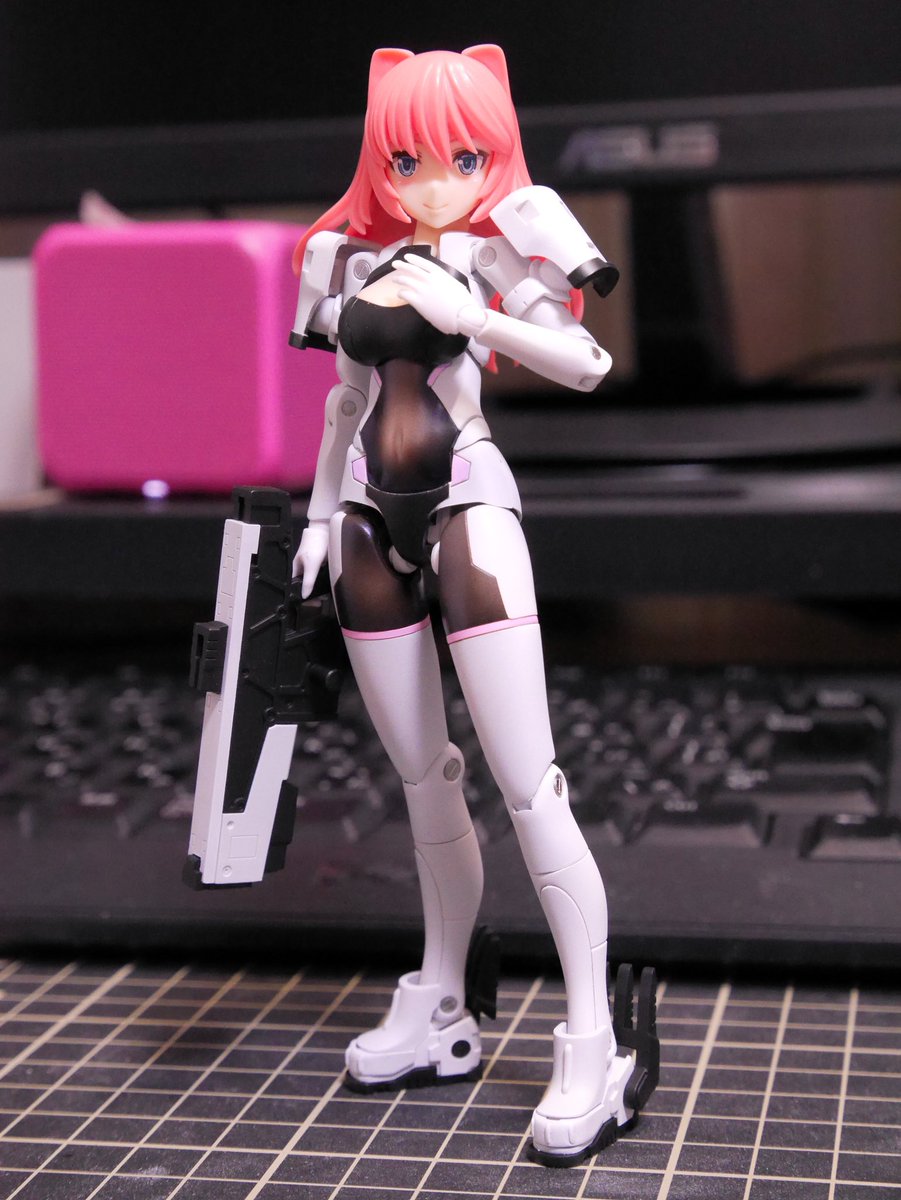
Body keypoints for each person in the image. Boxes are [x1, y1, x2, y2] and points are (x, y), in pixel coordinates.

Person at [290, 44, 651, 1167]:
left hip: (467, 506)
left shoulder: (506, 244)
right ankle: (441, 1001)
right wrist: (317, 515)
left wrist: (475, 315)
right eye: (407, 159)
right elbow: (346, 400)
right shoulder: (349, 257)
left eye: (463, 156)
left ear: (495, 154)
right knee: (423, 780)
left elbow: (587, 362)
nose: (436, 181)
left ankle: (592, 1040)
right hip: (364, 519)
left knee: (529, 787)